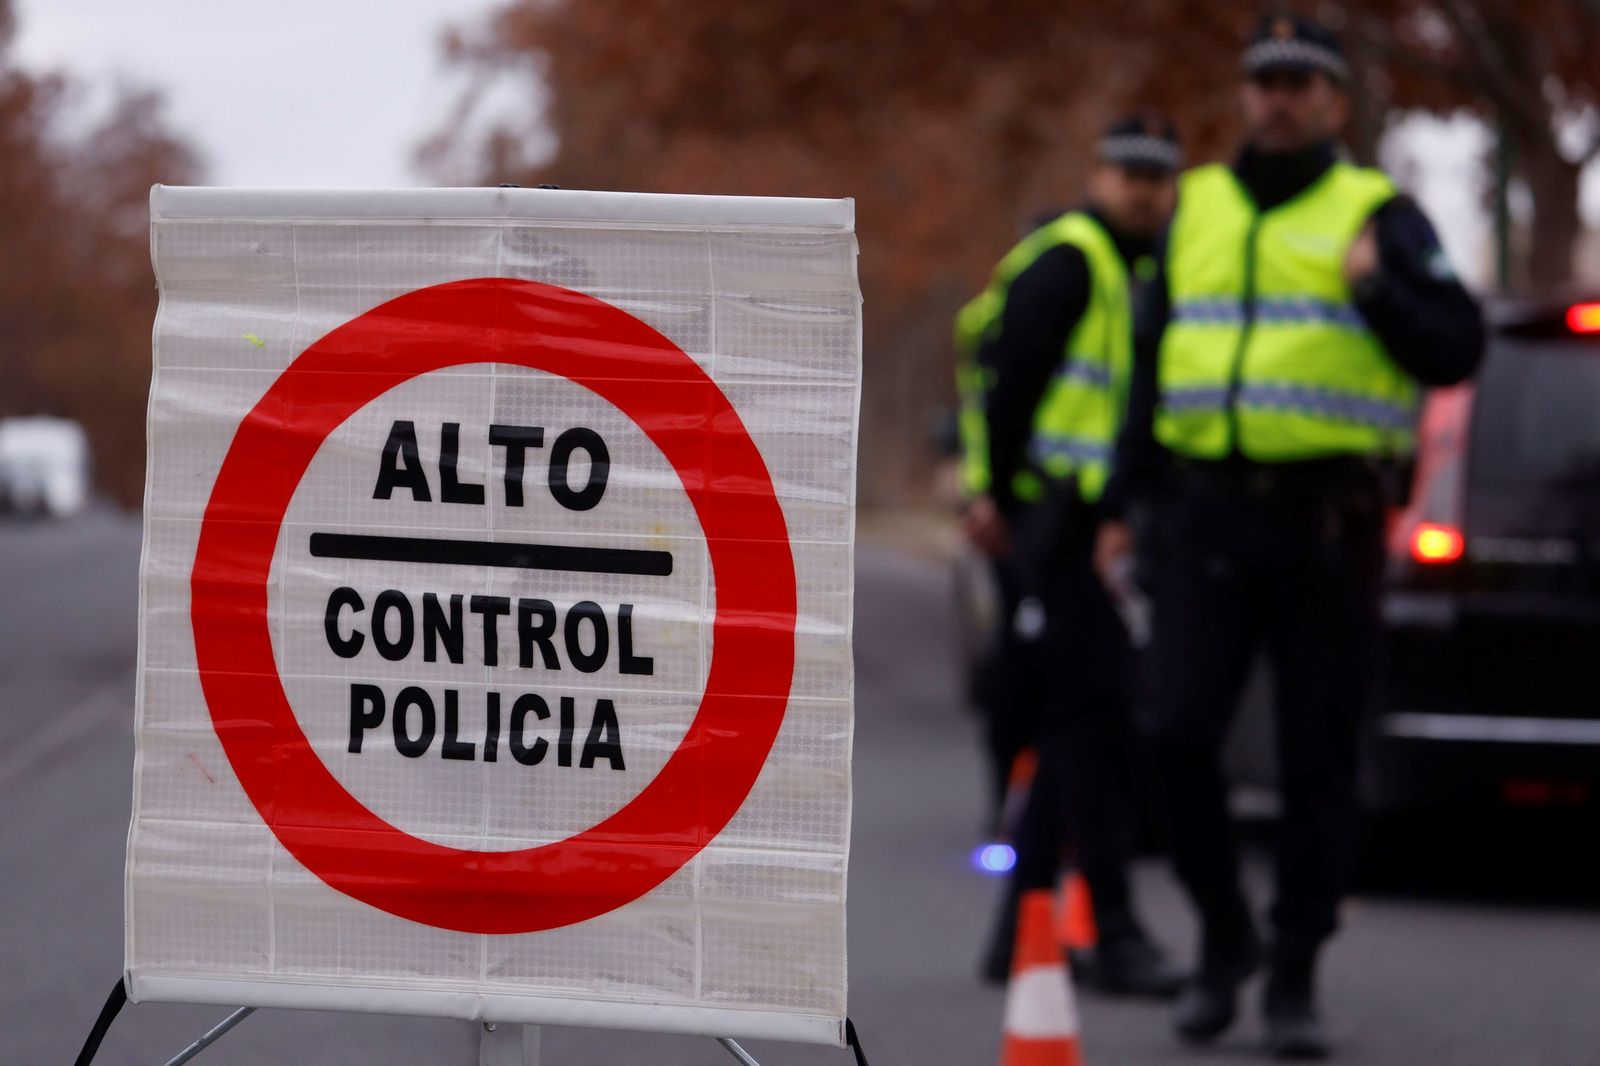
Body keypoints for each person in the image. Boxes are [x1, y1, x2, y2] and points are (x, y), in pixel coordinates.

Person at [1094, 16, 1483, 1058]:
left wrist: (1373, 287)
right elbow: (1149, 360)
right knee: (1173, 736)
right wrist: (1120, 507)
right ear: (1245, 94)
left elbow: (1455, 346)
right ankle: (1225, 937)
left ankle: (1294, 967)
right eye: (1264, 80)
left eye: (1300, 81)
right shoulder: (1198, 207)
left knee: (1316, 762)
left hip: (1326, 526)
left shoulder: (1379, 214)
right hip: (1202, 518)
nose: (1278, 98)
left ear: (1334, 103)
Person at [956, 113, 1187, 996]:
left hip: (1082, 528)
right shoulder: (1072, 261)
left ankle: (1021, 926)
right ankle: (1115, 931)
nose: (1144, 189)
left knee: (1079, 725)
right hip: (1054, 528)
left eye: (1158, 176)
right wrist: (999, 498)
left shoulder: (1127, 269)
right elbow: (1009, 386)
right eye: (1130, 173)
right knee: (1098, 718)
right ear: (1098, 175)